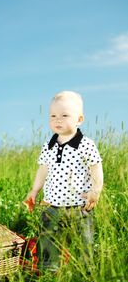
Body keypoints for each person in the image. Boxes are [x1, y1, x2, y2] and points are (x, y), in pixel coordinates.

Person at [24, 91, 103, 272]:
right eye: (53, 116)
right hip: (52, 206)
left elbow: (96, 168)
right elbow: (43, 169)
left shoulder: (85, 144)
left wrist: (95, 191)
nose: (57, 120)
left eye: (64, 115)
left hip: (79, 207)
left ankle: (86, 270)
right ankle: (48, 270)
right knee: (48, 238)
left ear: (79, 119)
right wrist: (34, 191)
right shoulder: (49, 145)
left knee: (84, 240)